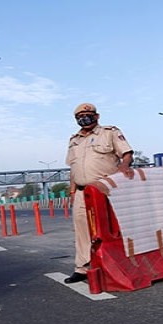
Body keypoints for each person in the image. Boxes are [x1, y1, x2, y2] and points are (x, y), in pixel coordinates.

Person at [64, 103, 134, 284]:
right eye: (80, 116)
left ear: (97, 116)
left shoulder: (109, 132)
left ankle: (119, 265)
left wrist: (124, 166)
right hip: (81, 192)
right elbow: (73, 167)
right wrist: (72, 191)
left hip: (105, 189)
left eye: (88, 114)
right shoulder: (74, 140)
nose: (84, 118)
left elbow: (126, 153)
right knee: (82, 231)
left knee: (111, 228)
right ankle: (82, 268)